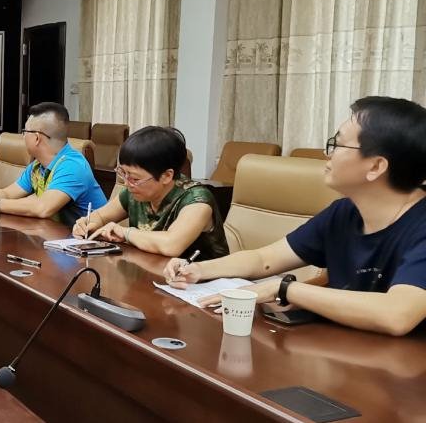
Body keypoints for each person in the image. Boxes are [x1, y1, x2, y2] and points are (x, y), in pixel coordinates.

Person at [164, 96, 426, 336]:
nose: (327, 154)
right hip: (345, 348)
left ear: (376, 166)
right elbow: (265, 259)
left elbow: (397, 314)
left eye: (337, 144)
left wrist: (284, 289)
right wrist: (198, 269)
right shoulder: (344, 213)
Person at [72, 126, 229, 259]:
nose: (126, 183)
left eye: (134, 178)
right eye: (123, 173)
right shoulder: (134, 192)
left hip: (200, 281)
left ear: (166, 176)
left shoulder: (197, 200)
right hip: (151, 272)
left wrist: (126, 233)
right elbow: (101, 216)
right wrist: (86, 224)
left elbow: (171, 245)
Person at [0, 102, 106, 225]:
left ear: (36, 138)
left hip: (91, 239)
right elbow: (7, 193)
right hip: (59, 236)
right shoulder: (37, 166)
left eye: (24, 132)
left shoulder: (72, 166)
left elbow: (43, 208)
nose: (23, 136)